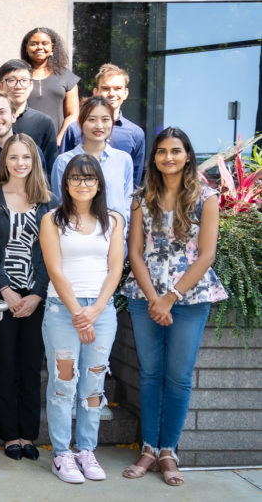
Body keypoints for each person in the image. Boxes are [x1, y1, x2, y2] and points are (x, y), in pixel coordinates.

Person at [120, 128, 227, 487]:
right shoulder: (141, 197)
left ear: (187, 155)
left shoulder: (206, 197)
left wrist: (171, 298)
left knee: (178, 376)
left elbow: (207, 254)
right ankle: (149, 448)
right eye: (162, 151)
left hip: (190, 299)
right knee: (149, 374)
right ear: (153, 157)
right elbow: (134, 252)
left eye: (176, 151)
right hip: (145, 297)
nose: (169, 157)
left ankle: (169, 451)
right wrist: (154, 298)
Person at [39, 154, 124, 484]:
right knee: (64, 382)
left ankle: (86, 450)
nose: (82, 184)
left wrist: (96, 310)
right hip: (63, 311)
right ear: (66, 183)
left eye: (89, 178)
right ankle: (62, 453)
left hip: (101, 313)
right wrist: (79, 313)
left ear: (99, 183)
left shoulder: (113, 221)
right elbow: (55, 270)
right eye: (75, 178)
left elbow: (115, 268)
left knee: (93, 384)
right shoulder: (52, 220)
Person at [0, 133, 56, 462]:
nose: (20, 163)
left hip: (37, 295)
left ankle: (28, 434)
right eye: (13, 157)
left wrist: (37, 294)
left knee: (31, 365)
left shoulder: (49, 200)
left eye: (26, 158)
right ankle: (10, 435)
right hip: (1, 295)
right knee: (5, 365)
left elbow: (52, 253)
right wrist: (6, 290)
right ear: (4, 161)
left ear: (35, 161)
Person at [50, 96, 133, 224]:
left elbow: (127, 207)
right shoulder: (64, 161)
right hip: (76, 237)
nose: (99, 126)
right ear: (81, 122)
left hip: (116, 238)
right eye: (92, 119)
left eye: (105, 119)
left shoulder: (123, 159)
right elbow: (59, 206)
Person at [60, 64, 147, 185]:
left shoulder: (136, 134)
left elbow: (134, 182)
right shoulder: (74, 129)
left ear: (126, 93)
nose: (112, 93)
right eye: (106, 88)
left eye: (118, 88)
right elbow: (63, 172)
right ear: (96, 92)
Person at [0, 59, 59, 171]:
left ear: (31, 85)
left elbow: (49, 168)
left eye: (24, 80)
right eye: (11, 80)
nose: (18, 86)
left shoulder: (44, 122)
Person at [21, 27, 79, 145]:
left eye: (44, 43)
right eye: (34, 44)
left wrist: (59, 140)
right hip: (22, 143)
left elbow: (73, 114)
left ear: (52, 46)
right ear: (26, 47)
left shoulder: (66, 76)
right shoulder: (18, 74)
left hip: (56, 144)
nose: (39, 47)